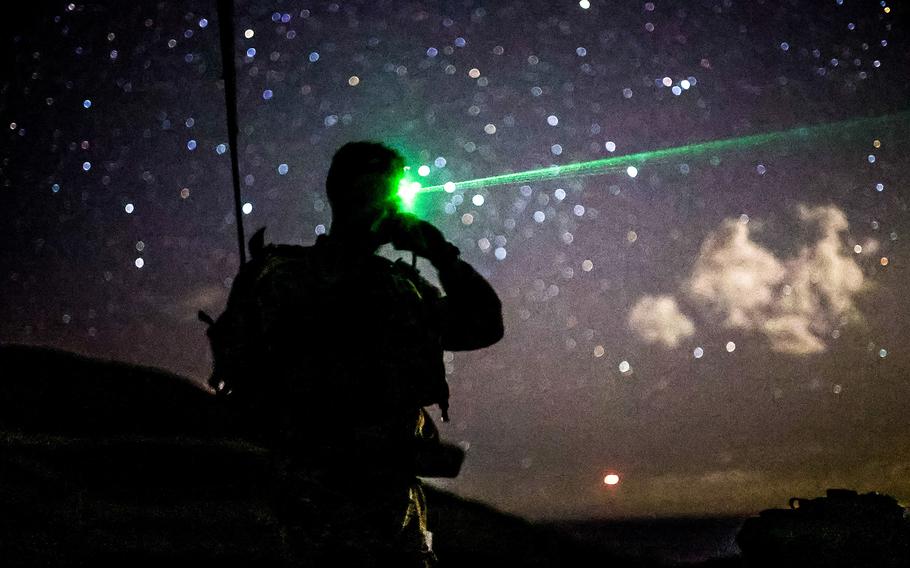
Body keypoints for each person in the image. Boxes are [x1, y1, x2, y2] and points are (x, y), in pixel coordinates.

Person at [209, 141, 503, 566]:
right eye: (375, 194)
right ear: (342, 194)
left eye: (389, 197)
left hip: (389, 508)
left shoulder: (404, 287)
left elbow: (484, 325)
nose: (384, 208)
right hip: (307, 505)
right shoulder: (285, 277)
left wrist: (441, 254)